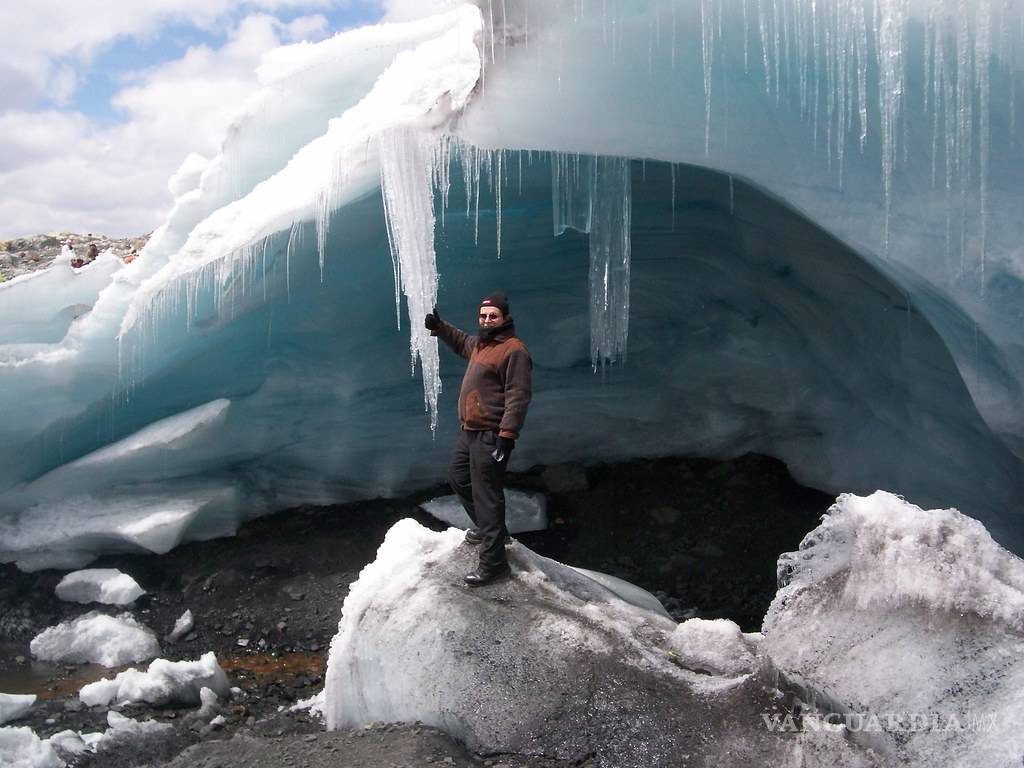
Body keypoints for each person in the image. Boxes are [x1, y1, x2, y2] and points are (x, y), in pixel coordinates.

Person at [426, 291, 532, 587]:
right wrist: (440, 327)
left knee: (487, 496)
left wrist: (507, 436)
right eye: (483, 316)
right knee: (458, 477)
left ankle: (494, 564)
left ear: (504, 318)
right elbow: (462, 341)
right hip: (470, 431)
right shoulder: (482, 345)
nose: (486, 320)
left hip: (491, 434)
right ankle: (491, 531)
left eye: (492, 316)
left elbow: (518, 396)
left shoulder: (513, 350)